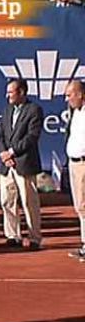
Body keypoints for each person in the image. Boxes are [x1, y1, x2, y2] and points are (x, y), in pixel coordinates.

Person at [0, 78, 43, 251]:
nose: (7, 95)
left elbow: (32, 137)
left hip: (24, 163)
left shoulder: (34, 110)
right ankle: (12, 236)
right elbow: (0, 135)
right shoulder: (7, 110)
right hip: (7, 165)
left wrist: (12, 152)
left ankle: (34, 238)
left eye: (11, 92)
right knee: (7, 200)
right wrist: (4, 154)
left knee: (29, 202)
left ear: (21, 92)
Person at [65, 81, 85, 261]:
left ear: (80, 95)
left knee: (84, 206)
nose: (67, 99)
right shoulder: (75, 113)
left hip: (83, 165)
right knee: (80, 206)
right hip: (74, 164)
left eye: (70, 95)